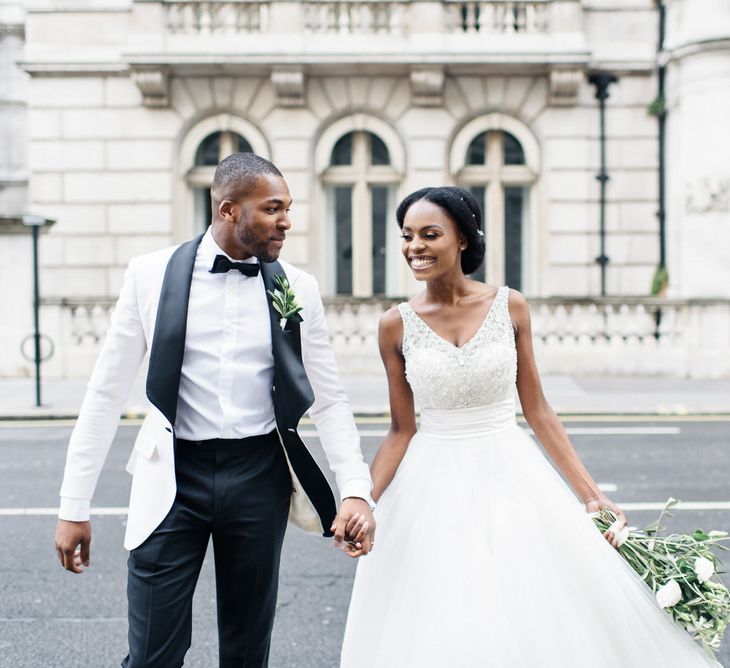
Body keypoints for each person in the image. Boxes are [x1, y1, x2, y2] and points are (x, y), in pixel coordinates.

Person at [340, 186, 720, 667]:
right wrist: (364, 502)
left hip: (511, 475)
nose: (414, 246)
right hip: (428, 487)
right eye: (407, 235)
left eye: (429, 234)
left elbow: (537, 408)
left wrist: (590, 493)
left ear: (462, 239)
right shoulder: (394, 325)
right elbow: (400, 430)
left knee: (532, 607)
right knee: (442, 617)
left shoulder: (510, 306)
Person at [54, 153, 375, 668]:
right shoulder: (149, 275)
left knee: (247, 652)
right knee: (153, 655)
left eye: (288, 208)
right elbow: (105, 393)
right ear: (229, 210)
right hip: (172, 476)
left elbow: (329, 398)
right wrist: (74, 504)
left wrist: (356, 489)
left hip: (259, 477)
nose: (287, 220)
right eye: (273, 209)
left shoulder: (299, 288)